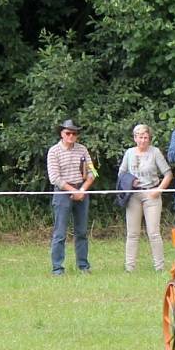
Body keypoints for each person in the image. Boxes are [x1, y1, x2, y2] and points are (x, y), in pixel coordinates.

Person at [118, 124, 173, 272]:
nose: (143, 140)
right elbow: (121, 173)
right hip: (134, 195)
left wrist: (159, 190)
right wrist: (130, 181)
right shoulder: (129, 153)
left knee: (154, 232)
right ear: (135, 138)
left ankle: (159, 267)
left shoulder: (155, 152)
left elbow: (168, 174)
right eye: (140, 137)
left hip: (151, 194)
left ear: (149, 138)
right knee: (132, 233)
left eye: (145, 137)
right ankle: (129, 268)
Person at [47, 118, 96, 276]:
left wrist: (82, 189)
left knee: (81, 232)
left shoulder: (82, 150)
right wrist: (72, 191)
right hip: (62, 193)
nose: (71, 136)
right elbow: (55, 178)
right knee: (60, 233)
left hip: (81, 190)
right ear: (62, 133)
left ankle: (83, 266)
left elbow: (92, 173)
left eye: (74, 133)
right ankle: (57, 268)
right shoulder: (54, 151)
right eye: (68, 133)